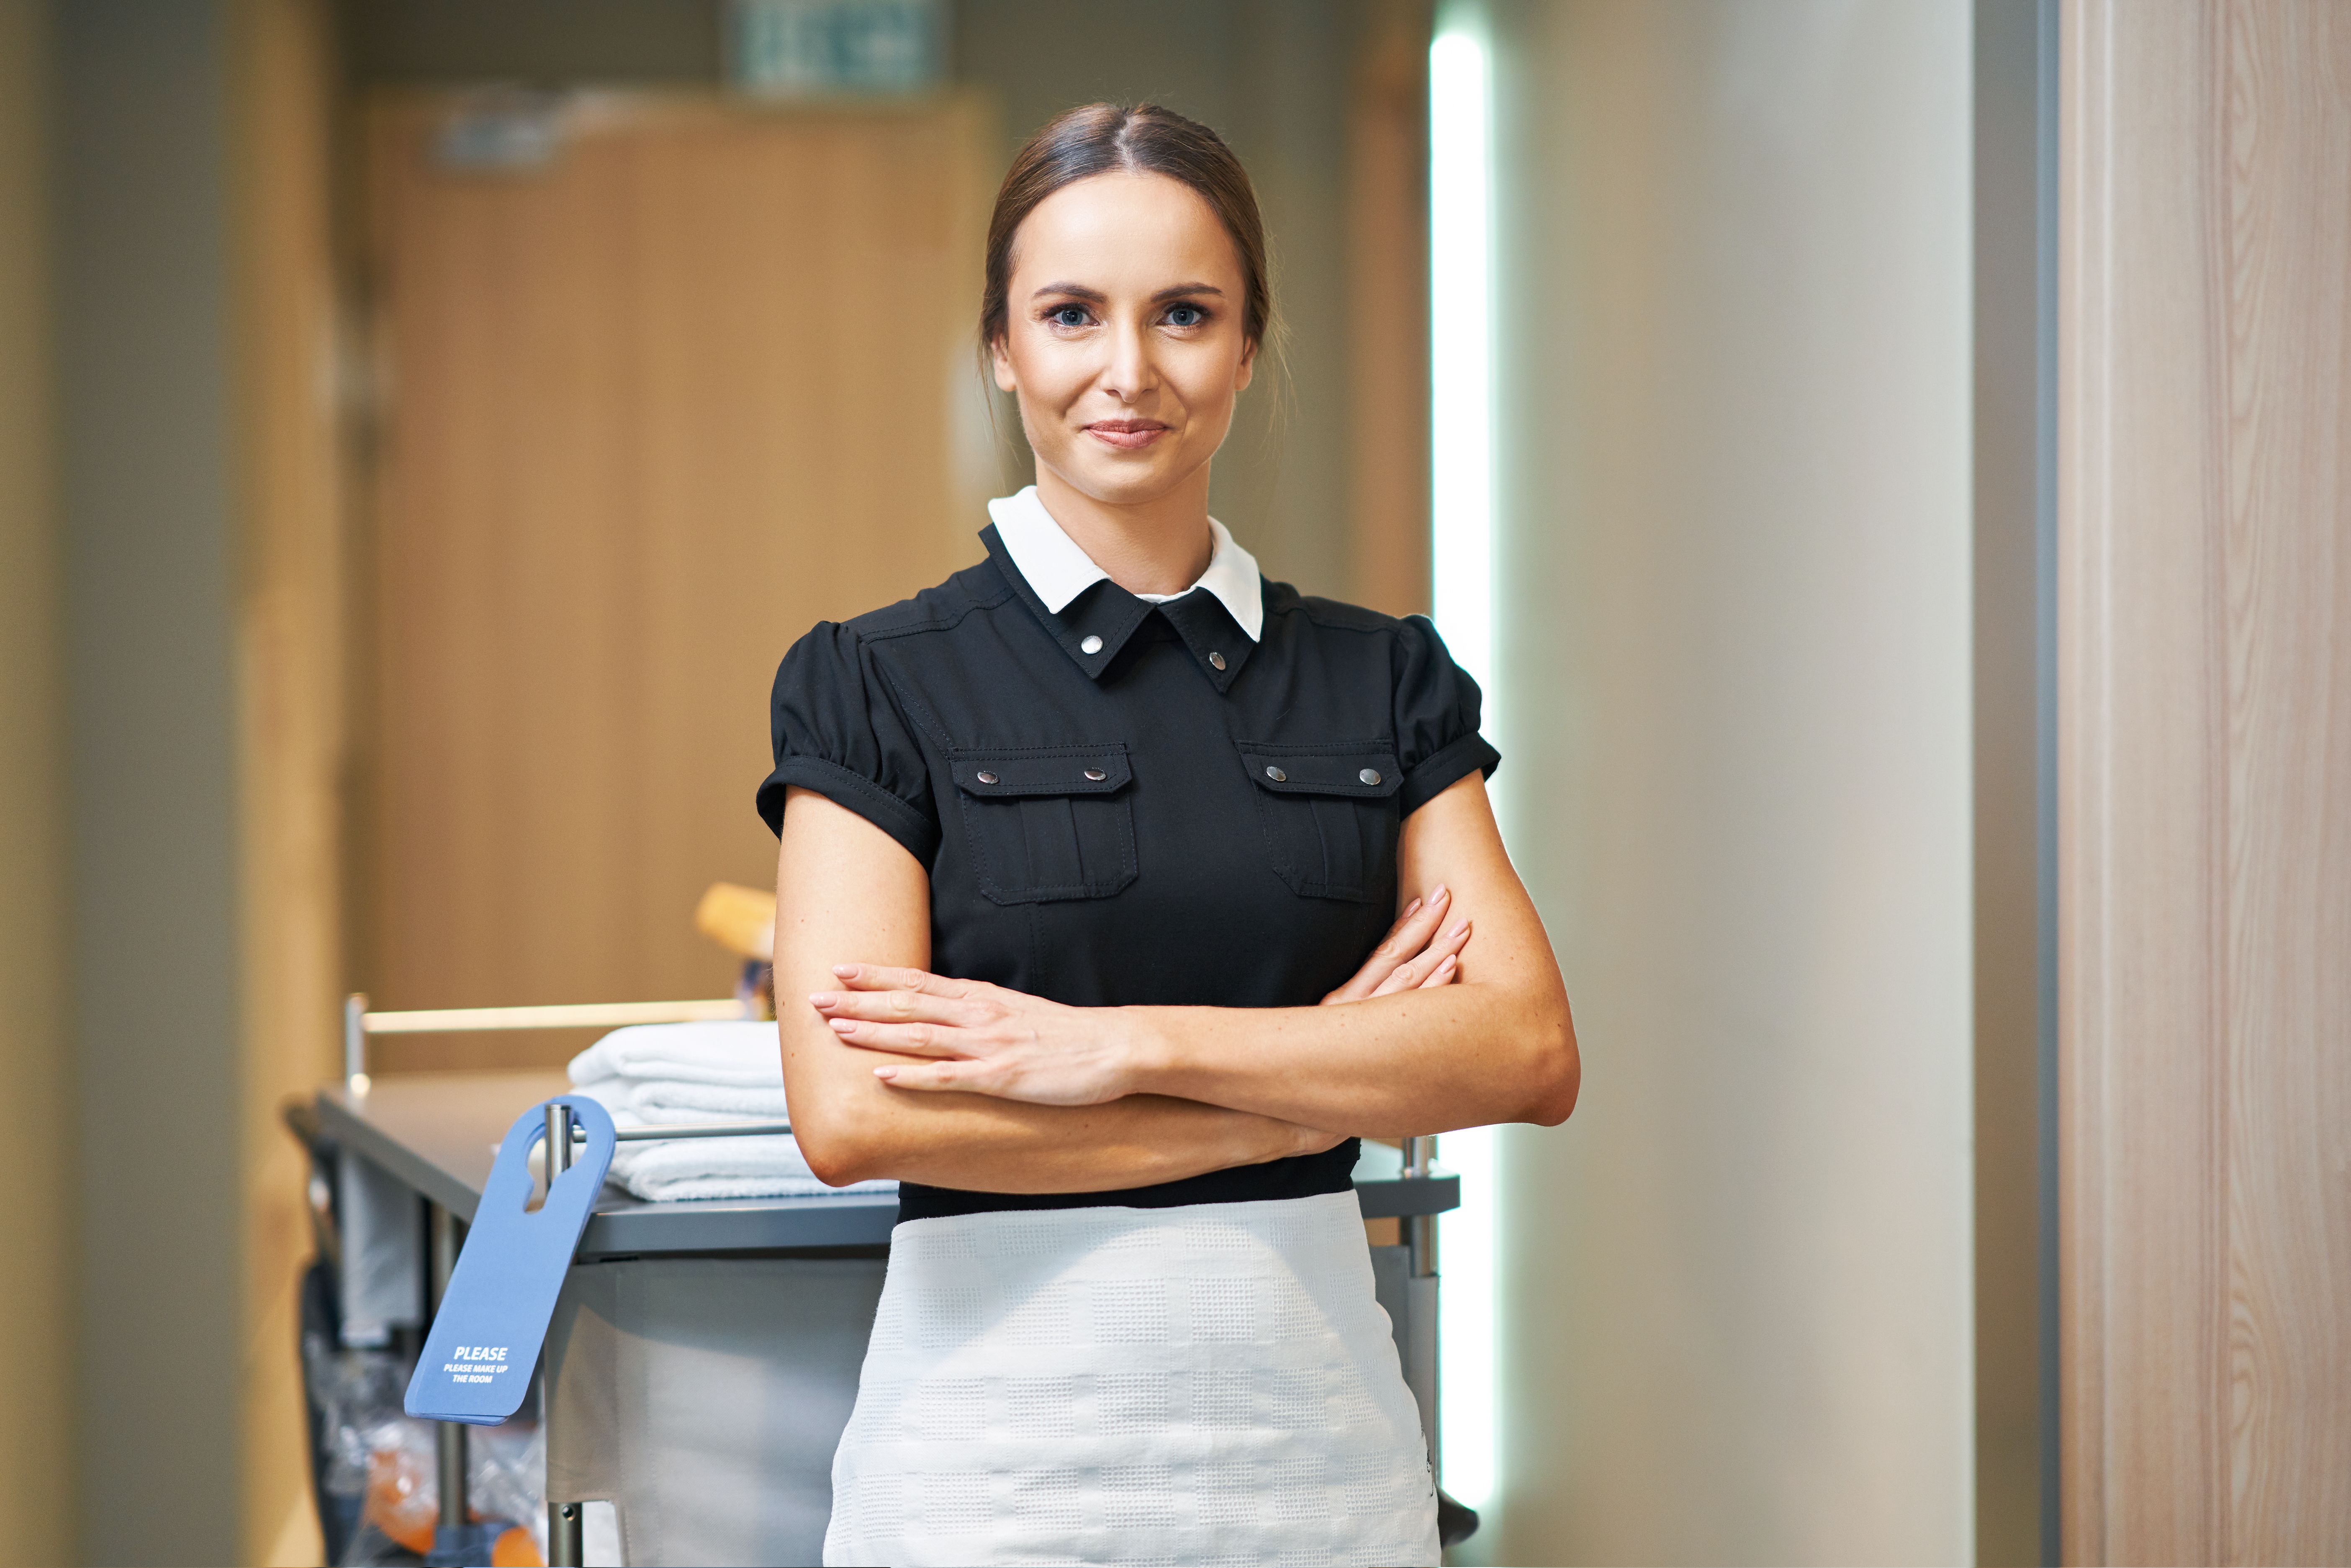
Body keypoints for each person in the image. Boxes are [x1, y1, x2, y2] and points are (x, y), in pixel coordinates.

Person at [758, 101, 1578, 1568]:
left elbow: (1520, 1050)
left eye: (1184, 314)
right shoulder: (874, 680)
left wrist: (1115, 1047)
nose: (1126, 371)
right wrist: (1321, 1091)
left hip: (1320, 1481)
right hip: (985, 1491)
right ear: (1003, 349)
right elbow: (857, 1116)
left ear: (1248, 344)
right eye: (1070, 315)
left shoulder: (1380, 677)